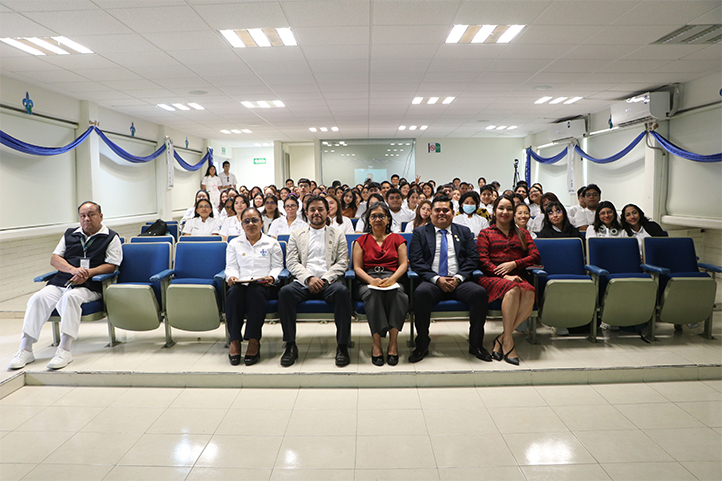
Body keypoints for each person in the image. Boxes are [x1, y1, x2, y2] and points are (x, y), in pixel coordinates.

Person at [8, 202, 122, 370]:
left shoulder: (111, 237)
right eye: (82, 216)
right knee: (37, 298)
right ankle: (25, 349)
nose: (86, 219)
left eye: (91, 215)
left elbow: (112, 265)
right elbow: (55, 259)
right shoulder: (70, 234)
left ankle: (65, 350)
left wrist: (87, 273)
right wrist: (73, 270)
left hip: (89, 286)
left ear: (101, 216)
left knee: (70, 298)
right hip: (62, 281)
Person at [408, 196, 491, 363]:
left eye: (445, 210)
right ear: (430, 213)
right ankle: (422, 344)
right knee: (420, 293)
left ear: (453, 213)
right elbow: (416, 261)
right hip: (432, 282)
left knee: (480, 293)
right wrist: (437, 279)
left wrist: (459, 278)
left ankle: (476, 344)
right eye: (437, 210)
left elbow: (473, 258)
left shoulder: (464, 231)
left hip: (458, 281)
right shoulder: (420, 233)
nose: (441, 213)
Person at [278, 196, 352, 367]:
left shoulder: (338, 233)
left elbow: (342, 262)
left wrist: (325, 279)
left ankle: (342, 346)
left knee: (342, 292)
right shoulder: (297, 235)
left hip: (329, 281)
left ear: (328, 212)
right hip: (304, 280)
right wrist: (309, 278)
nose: (316, 213)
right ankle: (290, 345)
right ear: (306, 213)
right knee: (285, 293)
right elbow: (291, 262)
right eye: (312, 210)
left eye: (320, 209)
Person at [477, 195, 540, 366]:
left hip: (517, 276)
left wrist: (514, 264)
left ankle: (502, 338)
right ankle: (509, 343)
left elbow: (535, 256)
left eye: (509, 209)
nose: (505, 212)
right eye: (501, 208)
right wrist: (504, 275)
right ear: (494, 211)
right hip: (491, 278)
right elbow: (483, 261)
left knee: (529, 291)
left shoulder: (522, 233)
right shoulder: (486, 233)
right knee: (512, 288)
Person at [224, 207, 283, 366]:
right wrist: (231, 277)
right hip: (241, 283)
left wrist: (272, 276)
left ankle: (253, 340)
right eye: (246, 221)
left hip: (264, 285)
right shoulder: (234, 244)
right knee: (233, 294)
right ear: (241, 225)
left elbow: (278, 266)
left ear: (262, 222)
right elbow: (230, 266)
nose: (251, 224)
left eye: (255, 220)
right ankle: (235, 340)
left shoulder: (272, 243)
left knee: (256, 292)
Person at [353, 202, 409, 366]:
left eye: (381, 216)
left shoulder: (398, 239)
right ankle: (376, 344)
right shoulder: (361, 240)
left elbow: (403, 264)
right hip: (368, 279)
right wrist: (372, 281)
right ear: (368, 220)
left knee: (399, 295)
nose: (377, 219)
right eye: (373, 216)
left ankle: (393, 343)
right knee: (373, 294)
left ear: (388, 219)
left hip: (392, 278)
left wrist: (393, 279)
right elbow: (357, 267)